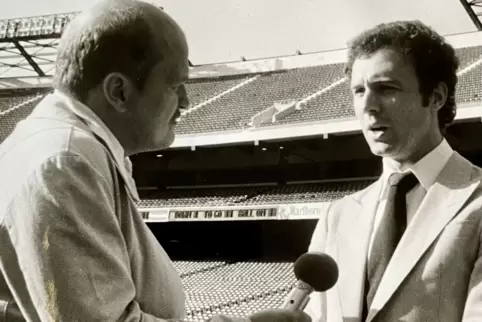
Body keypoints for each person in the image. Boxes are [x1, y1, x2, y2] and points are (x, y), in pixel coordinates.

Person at [0, 1, 311, 321]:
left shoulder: (62, 148)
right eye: (175, 85)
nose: (186, 102)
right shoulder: (66, 162)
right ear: (118, 91)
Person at [304, 20, 482, 322]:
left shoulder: (476, 200)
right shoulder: (337, 215)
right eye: (358, 90)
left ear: (436, 97)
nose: (368, 105)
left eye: (386, 88)